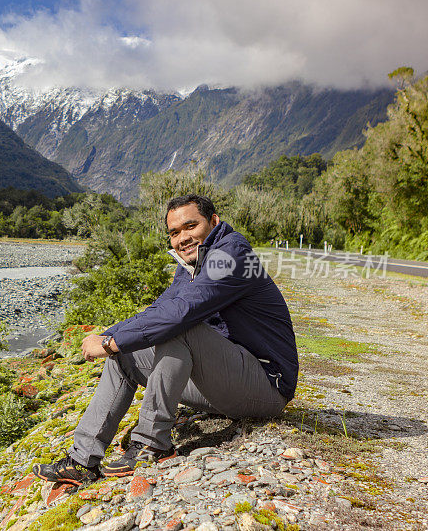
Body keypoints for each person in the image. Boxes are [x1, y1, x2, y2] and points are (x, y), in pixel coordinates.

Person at [33, 194, 298, 485]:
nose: (182, 238)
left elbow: (179, 314)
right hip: (227, 382)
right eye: (174, 233)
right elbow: (159, 309)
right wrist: (111, 337)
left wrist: (109, 342)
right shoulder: (193, 264)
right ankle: (82, 460)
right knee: (126, 355)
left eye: (190, 226)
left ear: (213, 222)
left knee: (180, 327)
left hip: (266, 385)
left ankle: (152, 443)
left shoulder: (230, 254)